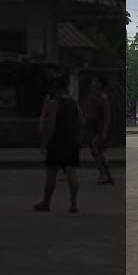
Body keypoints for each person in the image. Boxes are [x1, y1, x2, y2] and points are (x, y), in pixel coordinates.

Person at [34, 73, 82, 213]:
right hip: (71, 141)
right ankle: (74, 203)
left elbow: (51, 124)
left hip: (57, 141)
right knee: (71, 171)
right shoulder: (74, 103)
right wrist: (78, 138)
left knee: (51, 173)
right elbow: (80, 122)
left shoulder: (53, 103)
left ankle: (46, 202)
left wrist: (45, 141)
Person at [85, 76, 113, 185]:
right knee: (96, 151)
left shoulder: (102, 97)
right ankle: (107, 175)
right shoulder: (92, 96)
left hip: (99, 126)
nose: (92, 83)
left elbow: (107, 115)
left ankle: (104, 174)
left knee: (96, 150)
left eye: (95, 81)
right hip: (92, 125)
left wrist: (105, 131)